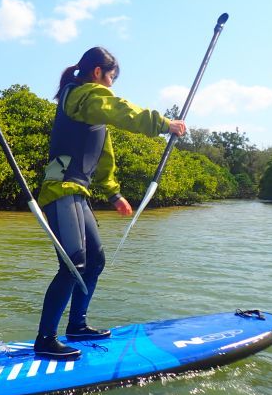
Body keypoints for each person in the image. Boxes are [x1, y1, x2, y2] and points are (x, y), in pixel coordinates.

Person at [34, 47, 187, 360]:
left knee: (95, 261)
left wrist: (114, 194)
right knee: (73, 262)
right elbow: (121, 109)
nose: (112, 85)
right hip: (60, 190)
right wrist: (163, 123)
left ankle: (77, 325)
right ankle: (45, 339)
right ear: (96, 73)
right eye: (111, 78)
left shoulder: (95, 111)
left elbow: (103, 158)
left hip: (78, 193)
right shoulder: (81, 96)